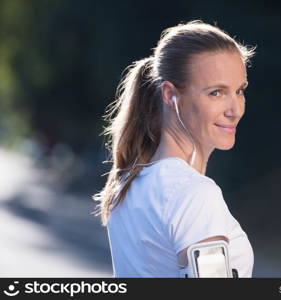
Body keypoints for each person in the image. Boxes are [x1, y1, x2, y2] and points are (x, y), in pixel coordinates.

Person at [92, 20, 256, 277]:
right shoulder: (194, 194)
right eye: (216, 93)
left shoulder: (129, 183)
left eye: (239, 91)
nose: (234, 109)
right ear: (170, 95)